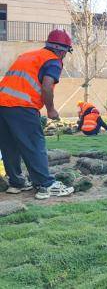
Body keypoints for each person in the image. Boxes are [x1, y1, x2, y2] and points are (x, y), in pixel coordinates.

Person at [0, 29, 75, 199]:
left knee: (9, 145)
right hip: (22, 107)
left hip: (2, 104)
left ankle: (16, 183)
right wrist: (51, 109)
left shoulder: (27, 55)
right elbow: (47, 86)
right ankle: (45, 184)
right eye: (66, 53)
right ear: (62, 51)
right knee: (34, 144)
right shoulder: (53, 61)